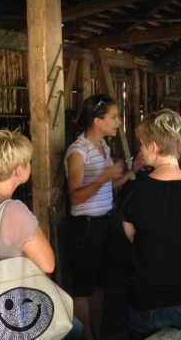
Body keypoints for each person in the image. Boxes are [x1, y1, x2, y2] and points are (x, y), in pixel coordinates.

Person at [0, 129, 82, 339]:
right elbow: (48, 263)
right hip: (10, 314)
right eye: (28, 162)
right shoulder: (13, 210)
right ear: (17, 170)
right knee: (72, 328)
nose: (30, 166)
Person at [118, 109, 181, 339]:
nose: (141, 151)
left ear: (153, 147)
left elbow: (133, 237)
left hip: (147, 298)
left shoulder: (133, 192)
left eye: (142, 145)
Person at [65, 94, 128, 340]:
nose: (118, 122)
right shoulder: (78, 151)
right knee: (83, 288)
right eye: (113, 117)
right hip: (85, 227)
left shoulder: (104, 147)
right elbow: (76, 196)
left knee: (100, 284)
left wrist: (132, 170)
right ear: (96, 120)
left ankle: (98, 334)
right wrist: (103, 177)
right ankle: (86, 337)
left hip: (105, 222)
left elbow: (109, 187)